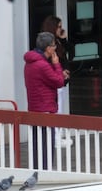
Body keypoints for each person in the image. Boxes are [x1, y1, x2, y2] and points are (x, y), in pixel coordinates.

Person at [23, 30, 69, 169]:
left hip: (35, 108)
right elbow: (58, 82)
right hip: (45, 109)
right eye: (54, 45)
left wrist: (56, 71)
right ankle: (45, 171)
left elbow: (46, 80)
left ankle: (39, 170)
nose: (55, 48)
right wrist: (56, 65)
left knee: (38, 144)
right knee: (46, 145)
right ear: (48, 48)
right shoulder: (43, 65)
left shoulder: (30, 63)